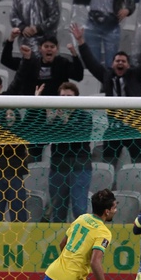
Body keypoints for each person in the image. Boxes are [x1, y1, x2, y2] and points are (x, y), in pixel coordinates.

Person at [71, 23, 141, 167]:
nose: (120, 63)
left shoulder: (136, 75)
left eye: (123, 61)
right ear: (112, 64)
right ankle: (109, 187)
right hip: (113, 128)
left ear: (128, 65)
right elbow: (91, 64)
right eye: (117, 61)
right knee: (108, 164)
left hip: (134, 128)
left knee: (139, 164)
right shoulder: (106, 76)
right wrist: (81, 42)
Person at [39, 82, 93, 222]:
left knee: (79, 209)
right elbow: (42, 139)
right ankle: (60, 242)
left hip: (80, 166)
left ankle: (82, 240)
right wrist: (49, 121)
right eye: (62, 96)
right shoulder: (53, 117)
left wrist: (64, 121)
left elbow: (79, 138)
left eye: (69, 96)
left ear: (76, 98)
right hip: (58, 167)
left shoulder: (85, 116)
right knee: (58, 211)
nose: (65, 99)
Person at [4, 36, 84, 96]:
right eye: (46, 46)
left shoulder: (62, 63)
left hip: (56, 106)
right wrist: (10, 39)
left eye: (52, 47)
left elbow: (78, 76)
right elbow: (6, 60)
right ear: (40, 49)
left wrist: (74, 55)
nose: (49, 49)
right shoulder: (30, 62)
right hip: (33, 106)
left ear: (57, 49)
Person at [74, 0, 135, 69]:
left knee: (112, 60)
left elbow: (130, 1)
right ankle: (93, 79)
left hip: (112, 24)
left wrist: (128, 9)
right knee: (92, 60)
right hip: (93, 22)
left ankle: (110, 79)